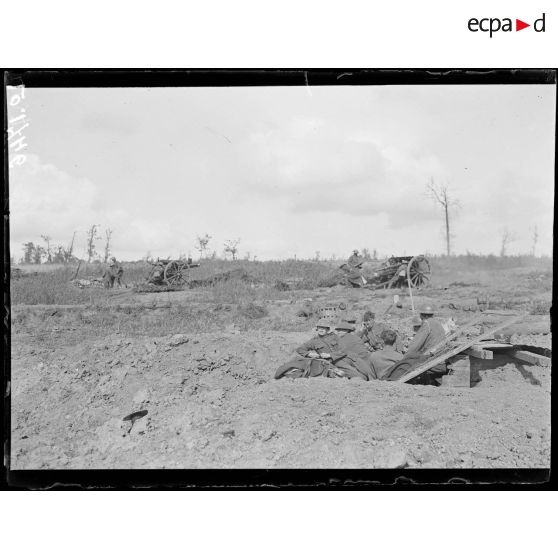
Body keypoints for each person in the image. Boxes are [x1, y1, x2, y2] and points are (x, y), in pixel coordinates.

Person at [382, 304, 448, 383]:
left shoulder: (427, 323)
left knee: (402, 366)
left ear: (421, 316)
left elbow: (415, 345)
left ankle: (388, 380)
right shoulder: (438, 324)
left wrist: (405, 357)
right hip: (439, 356)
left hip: (430, 358)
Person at [274, 318, 347, 379]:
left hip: (340, 359)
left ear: (327, 329)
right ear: (317, 329)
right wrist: (309, 354)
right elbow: (300, 349)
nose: (321, 330)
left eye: (323, 328)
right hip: (325, 363)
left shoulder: (335, 337)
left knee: (353, 374)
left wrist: (330, 355)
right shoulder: (314, 341)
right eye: (319, 328)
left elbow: (345, 349)